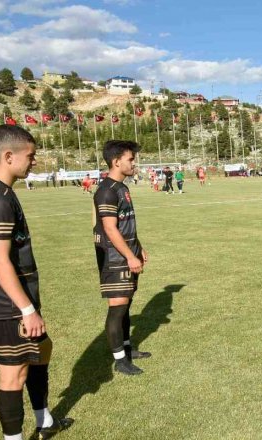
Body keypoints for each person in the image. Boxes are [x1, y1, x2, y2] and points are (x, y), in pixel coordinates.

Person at [0, 126, 72, 440]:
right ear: (8, 156)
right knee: (13, 374)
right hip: (6, 303)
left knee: (42, 348)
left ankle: (44, 418)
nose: (34, 162)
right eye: (30, 156)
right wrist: (26, 309)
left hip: (4, 297)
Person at [93, 140, 151, 376]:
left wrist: (139, 248)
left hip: (127, 253)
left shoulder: (122, 188)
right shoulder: (106, 190)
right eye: (130, 159)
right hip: (115, 258)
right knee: (117, 308)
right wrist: (129, 256)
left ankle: (127, 349)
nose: (133, 163)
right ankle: (120, 360)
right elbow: (110, 228)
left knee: (126, 304)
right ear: (116, 162)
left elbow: (127, 225)